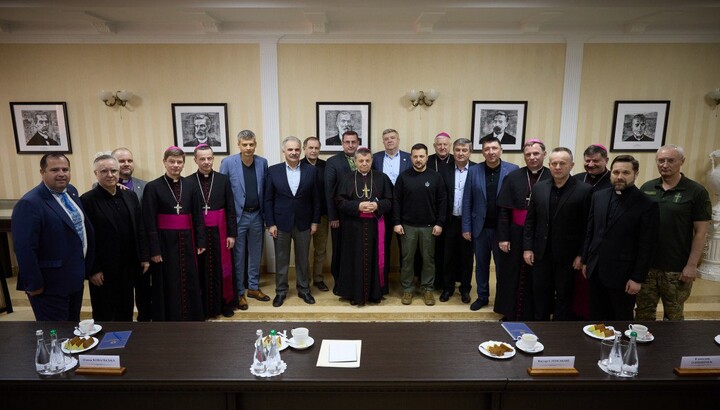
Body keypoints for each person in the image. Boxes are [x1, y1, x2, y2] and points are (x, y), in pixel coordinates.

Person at [13, 153, 95, 321]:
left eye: (65, 169)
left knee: (72, 330)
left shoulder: (71, 192)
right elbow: (25, 249)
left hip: (73, 278)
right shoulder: (30, 203)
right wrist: (34, 284)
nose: (61, 174)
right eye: (54, 169)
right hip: (50, 284)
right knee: (55, 335)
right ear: (42, 172)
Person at [636, 145, 712, 320]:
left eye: (670, 160)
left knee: (673, 318)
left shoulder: (696, 191)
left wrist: (691, 266)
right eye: (661, 160)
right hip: (648, 267)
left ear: (681, 162)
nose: (665, 164)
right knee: (643, 314)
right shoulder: (648, 187)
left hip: (676, 269)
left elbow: (701, 232)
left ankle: (672, 348)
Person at [582, 155, 659, 320]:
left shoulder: (646, 204)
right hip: (596, 270)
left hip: (623, 275)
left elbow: (647, 245)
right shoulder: (598, 196)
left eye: (625, 172)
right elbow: (591, 231)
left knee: (620, 318)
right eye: (616, 172)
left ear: (635, 174)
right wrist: (586, 260)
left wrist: (637, 278)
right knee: (596, 316)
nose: (619, 176)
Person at [523, 147, 592, 321]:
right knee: (540, 293)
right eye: (554, 163)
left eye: (562, 163)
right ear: (549, 165)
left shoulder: (584, 190)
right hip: (541, 253)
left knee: (564, 295)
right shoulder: (539, 188)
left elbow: (588, 227)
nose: (558, 167)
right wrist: (528, 248)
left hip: (568, 256)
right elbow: (531, 221)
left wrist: (581, 255)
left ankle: (559, 332)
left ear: (572, 165)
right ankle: (540, 328)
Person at [81, 154, 149, 322]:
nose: (110, 175)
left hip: (129, 264)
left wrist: (144, 257)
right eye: (104, 171)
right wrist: (93, 269)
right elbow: (86, 238)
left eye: (113, 170)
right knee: (106, 310)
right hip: (104, 269)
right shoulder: (87, 200)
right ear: (96, 173)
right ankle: (106, 346)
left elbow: (140, 228)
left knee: (126, 306)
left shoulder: (129, 196)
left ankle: (126, 339)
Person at [142, 146, 206, 321]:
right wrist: (154, 251)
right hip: (164, 243)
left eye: (179, 162)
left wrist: (201, 242)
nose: (175, 165)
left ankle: (191, 316)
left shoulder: (191, 185)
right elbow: (149, 220)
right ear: (164, 162)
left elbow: (198, 216)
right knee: (167, 281)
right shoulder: (153, 187)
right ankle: (168, 317)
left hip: (187, 241)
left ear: (184, 164)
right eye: (172, 162)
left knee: (189, 279)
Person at [495, 139, 550, 320]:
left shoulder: (552, 177)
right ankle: (510, 312)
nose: (532, 157)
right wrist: (503, 237)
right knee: (511, 273)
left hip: (541, 234)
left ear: (544, 154)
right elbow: (504, 210)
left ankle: (535, 313)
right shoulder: (513, 176)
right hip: (515, 233)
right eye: (528, 154)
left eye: (536, 154)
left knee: (538, 275)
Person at [462, 136, 519, 311]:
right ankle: (482, 296)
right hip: (480, 228)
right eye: (487, 149)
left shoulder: (513, 170)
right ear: (482, 152)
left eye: (494, 148)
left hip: (503, 230)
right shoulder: (474, 171)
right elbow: (467, 200)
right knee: (481, 265)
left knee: (503, 267)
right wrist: (466, 227)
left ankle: (503, 300)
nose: (491, 152)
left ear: (501, 150)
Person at [264, 136, 321, 307]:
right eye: (290, 149)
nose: (294, 152)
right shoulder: (273, 171)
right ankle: (281, 291)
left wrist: (315, 221)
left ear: (300, 150)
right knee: (281, 259)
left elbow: (316, 199)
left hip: (304, 222)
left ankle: (304, 290)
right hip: (280, 223)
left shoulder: (311, 171)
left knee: (303, 258)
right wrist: (270, 223)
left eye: (296, 149)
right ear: (284, 151)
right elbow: (268, 200)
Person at [219, 130, 270, 310]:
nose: (248, 148)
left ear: (255, 144)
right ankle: (240, 291)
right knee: (238, 256)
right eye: (244, 144)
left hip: (256, 214)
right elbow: (222, 191)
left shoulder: (262, 163)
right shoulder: (227, 163)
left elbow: (265, 190)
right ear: (238, 145)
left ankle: (253, 288)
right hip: (237, 217)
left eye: (251, 144)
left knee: (256, 253)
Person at [335, 148, 393, 306]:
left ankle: (375, 292)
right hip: (354, 228)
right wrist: (358, 206)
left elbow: (390, 200)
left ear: (372, 161)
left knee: (375, 257)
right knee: (354, 259)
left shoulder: (382, 178)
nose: (364, 164)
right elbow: (340, 202)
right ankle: (354, 293)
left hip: (375, 227)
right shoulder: (347, 178)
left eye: (367, 161)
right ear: (355, 161)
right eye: (361, 161)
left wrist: (377, 205)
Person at [393, 143, 447, 306]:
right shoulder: (403, 177)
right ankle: (408, 290)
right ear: (411, 158)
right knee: (407, 259)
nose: (418, 159)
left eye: (421, 156)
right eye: (415, 156)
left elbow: (442, 202)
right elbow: (396, 201)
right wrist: (396, 222)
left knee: (428, 259)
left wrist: (440, 223)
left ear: (426, 157)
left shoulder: (435, 177)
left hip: (430, 227)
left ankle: (427, 289)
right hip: (407, 226)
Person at [189, 145, 237, 318]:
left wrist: (232, 234)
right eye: (202, 159)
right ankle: (204, 306)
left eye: (209, 158)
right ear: (195, 160)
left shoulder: (223, 179)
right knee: (201, 269)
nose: (206, 162)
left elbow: (230, 209)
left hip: (220, 231)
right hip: (199, 233)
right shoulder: (189, 182)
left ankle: (224, 303)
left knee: (222, 268)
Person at [571, 143, 611, 320]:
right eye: (588, 161)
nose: (591, 164)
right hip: (574, 237)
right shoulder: (577, 179)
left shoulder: (613, 181)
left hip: (599, 239)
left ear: (606, 160)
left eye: (596, 161)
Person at [112, 147, 151, 320]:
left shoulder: (144, 185)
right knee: (123, 294)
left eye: (129, 160)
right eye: (121, 161)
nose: (126, 164)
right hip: (120, 251)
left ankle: (145, 319)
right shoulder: (104, 187)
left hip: (142, 246)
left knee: (144, 289)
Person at [372, 128, 411, 292]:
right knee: (382, 245)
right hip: (382, 209)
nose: (389, 141)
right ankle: (382, 282)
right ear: (383, 141)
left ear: (398, 139)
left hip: (405, 209)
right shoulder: (376, 158)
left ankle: (406, 283)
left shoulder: (408, 158)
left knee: (406, 248)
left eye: (392, 138)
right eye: (386, 138)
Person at [438, 138, 476, 304]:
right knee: (448, 256)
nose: (461, 153)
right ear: (453, 151)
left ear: (470, 152)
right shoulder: (444, 170)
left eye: (464, 150)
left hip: (468, 221)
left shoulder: (477, 169)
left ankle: (465, 289)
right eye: (458, 150)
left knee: (467, 257)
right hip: (449, 220)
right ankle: (448, 288)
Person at [325, 130, 360, 294]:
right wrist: (332, 216)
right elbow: (329, 191)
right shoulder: (333, 162)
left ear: (358, 143)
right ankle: (339, 281)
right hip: (340, 216)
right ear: (342, 143)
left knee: (356, 249)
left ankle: (354, 280)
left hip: (360, 216)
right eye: (347, 142)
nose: (351, 145)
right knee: (339, 249)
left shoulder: (364, 159)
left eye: (354, 142)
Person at [301, 136, 330, 292]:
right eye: (310, 148)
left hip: (322, 215)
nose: (313, 151)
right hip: (304, 215)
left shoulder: (326, 166)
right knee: (303, 250)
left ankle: (318, 278)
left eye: (316, 148)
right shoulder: (297, 165)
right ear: (305, 148)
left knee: (320, 249)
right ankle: (304, 280)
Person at [427, 132, 455, 287]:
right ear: (434, 146)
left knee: (449, 250)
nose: (442, 147)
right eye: (439, 144)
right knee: (432, 250)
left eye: (445, 144)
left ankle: (448, 281)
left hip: (450, 213)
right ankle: (433, 280)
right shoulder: (428, 161)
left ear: (449, 146)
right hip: (430, 212)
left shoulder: (456, 161)